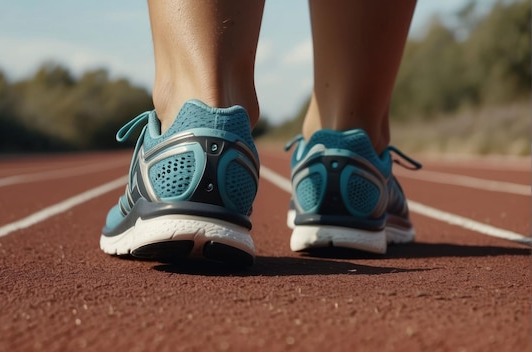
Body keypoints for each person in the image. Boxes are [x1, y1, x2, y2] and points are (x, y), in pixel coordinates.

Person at [100, 0, 421, 267]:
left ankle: (183, 131)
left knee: (199, 90)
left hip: (176, 170)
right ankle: (354, 158)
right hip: (359, 187)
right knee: (353, 126)